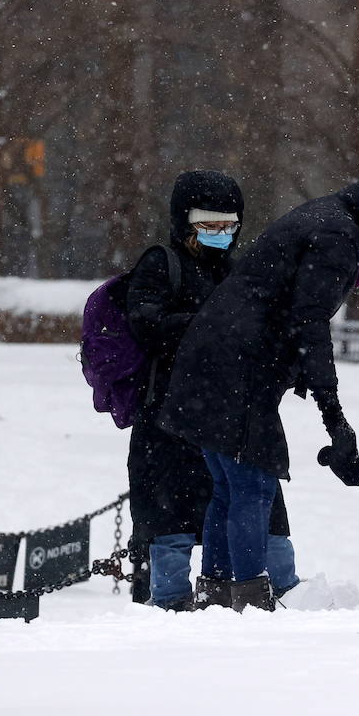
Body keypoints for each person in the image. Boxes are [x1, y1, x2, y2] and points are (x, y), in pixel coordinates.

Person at [160, 176, 359, 613]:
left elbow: (286, 308)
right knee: (253, 488)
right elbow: (309, 324)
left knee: (228, 489)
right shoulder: (337, 236)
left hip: (209, 363)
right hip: (239, 371)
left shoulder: (321, 216)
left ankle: (215, 595)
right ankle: (250, 600)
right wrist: (335, 419)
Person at [125, 169, 298, 611]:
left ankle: (281, 589)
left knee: (256, 501)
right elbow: (147, 324)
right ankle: (171, 600)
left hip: (229, 413)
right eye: (210, 225)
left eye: (229, 225)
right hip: (168, 415)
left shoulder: (240, 269)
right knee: (170, 513)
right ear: (185, 222)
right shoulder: (161, 264)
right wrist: (212, 326)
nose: (222, 234)